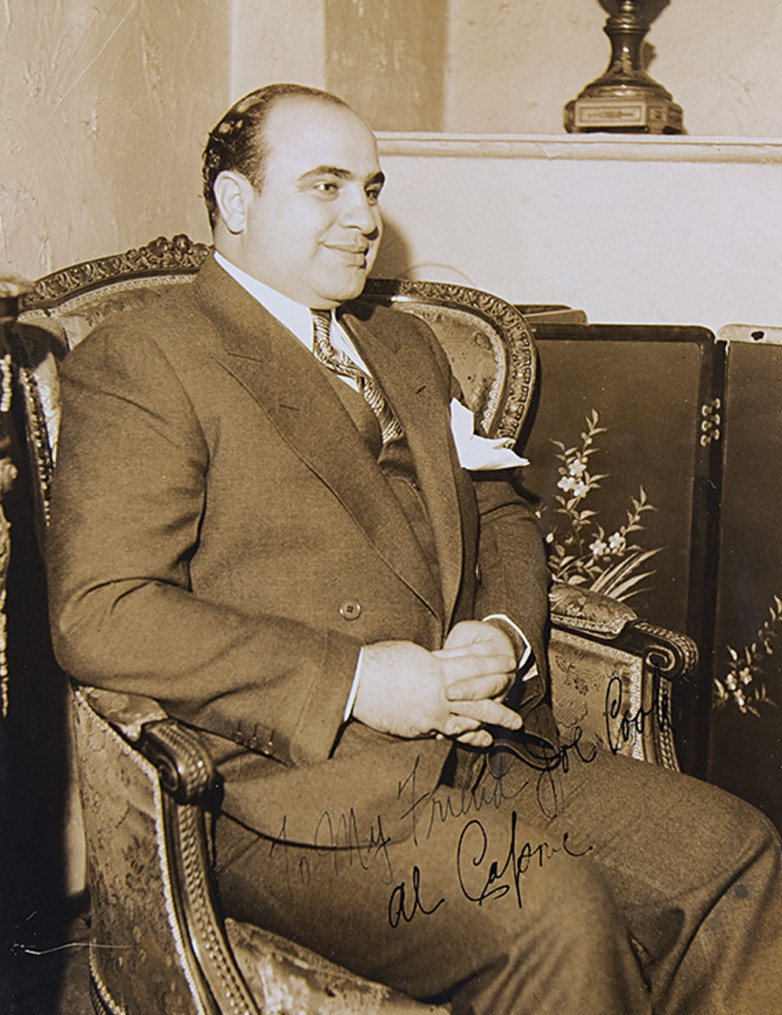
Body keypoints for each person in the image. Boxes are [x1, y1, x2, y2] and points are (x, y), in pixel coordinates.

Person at [47, 83, 782, 1014]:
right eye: (326, 186)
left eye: (371, 187)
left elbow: (503, 511)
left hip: (478, 744)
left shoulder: (403, 345)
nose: (363, 218)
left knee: (733, 855)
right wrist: (360, 680)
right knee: (555, 917)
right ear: (235, 201)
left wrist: (503, 635)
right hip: (288, 792)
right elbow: (103, 611)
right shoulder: (148, 357)